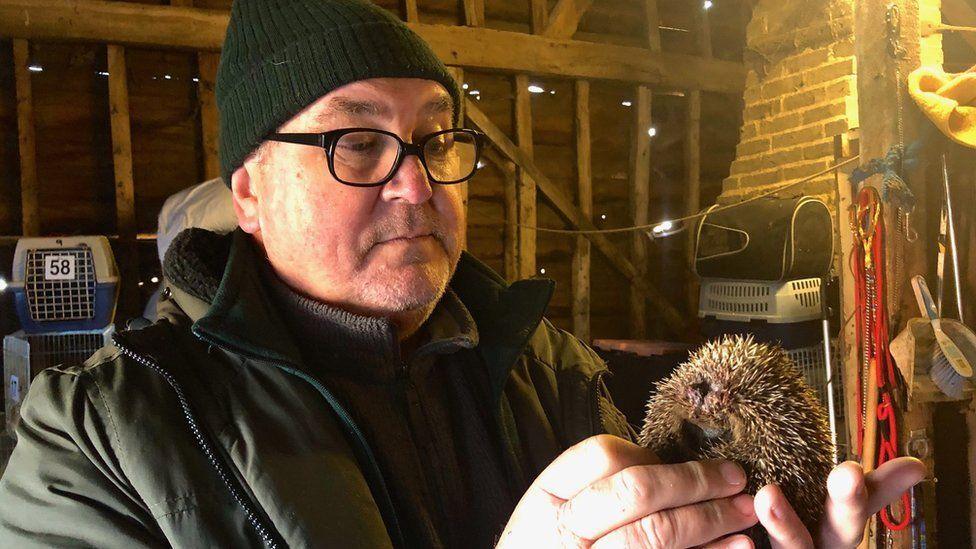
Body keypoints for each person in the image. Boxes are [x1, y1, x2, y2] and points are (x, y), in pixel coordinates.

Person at [0, 0, 924, 547]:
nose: (416, 181)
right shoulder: (95, 441)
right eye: (358, 142)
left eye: (438, 139)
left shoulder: (553, 375)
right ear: (248, 190)